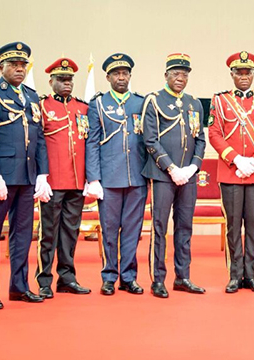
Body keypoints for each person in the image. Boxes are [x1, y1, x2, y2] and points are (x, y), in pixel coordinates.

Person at [0, 42, 51, 309]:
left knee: (22, 235)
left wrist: (42, 173)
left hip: (28, 176)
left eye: (23, 65)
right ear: (1, 67)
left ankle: (19, 287)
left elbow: (39, 137)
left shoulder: (32, 96)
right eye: (14, 65)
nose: (19, 69)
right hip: (3, 177)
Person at [208, 51, 254, 293]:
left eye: (247, 72)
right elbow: (214, 133)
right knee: (233, 225)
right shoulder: (220, 101)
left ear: (253, 74)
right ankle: (234, 275)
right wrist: (236, 159)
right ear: (232, 74)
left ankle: (252, 275)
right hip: (231, 172)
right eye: (239, 72)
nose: (243, 76)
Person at [141, 53, 206, 298]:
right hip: (162, 175)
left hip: (187, 176)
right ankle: (158, 279)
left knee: (185, 226)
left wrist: (192, 167)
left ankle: (183, 277)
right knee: (159, 227)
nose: (181, 78)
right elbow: (149, 139)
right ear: (166, 75)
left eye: (185, 74)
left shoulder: (194, 103)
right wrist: (171, 168)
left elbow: (200, 138)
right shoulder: (154, 100)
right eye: (176, 73)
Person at [85, 53, 147, 296]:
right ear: (108, 77)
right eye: (116, 74)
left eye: (125, 73)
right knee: (109, 230)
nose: (121, 77)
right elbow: (91, 142)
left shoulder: (141, 103)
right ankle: (109, 276)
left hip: (136, 178)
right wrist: (94, 179)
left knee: (132, 230)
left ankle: (129, 277)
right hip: (109, 179)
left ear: (130, 76)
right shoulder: (98, 104)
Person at [35, 58, 91, 299]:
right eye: (61, 80)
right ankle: (44, 280)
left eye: (69, 80)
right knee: (48, 233)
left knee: (70, 232)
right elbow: (38, 145)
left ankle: (67, 277)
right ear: (51, 81)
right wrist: (42, 177)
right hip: (53, 182)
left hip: (77, 181)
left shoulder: (82, 107)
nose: (66, 83)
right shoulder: (42, 106)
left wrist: (90, 178)